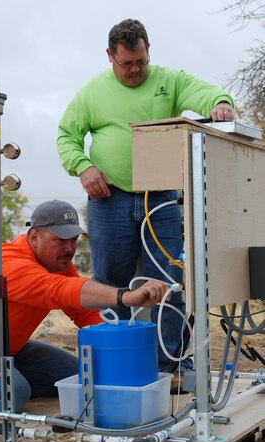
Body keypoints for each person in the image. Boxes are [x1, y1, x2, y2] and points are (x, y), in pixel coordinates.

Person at [57, 18, 235, 372]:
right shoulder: (92, 92)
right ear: (110, 56)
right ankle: (117, 363)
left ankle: (169, 366)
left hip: (162, 197)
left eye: (141, 61)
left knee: (169, 281)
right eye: (127, 63)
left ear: (148, 52)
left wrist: (220, 103)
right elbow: (66, 136)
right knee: (110, 283)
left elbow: (205, 93)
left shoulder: (169, 80)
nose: (135, 70)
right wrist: (83, 166)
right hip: (110, 199)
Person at [0, 199, 170, 415]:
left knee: (76, 376)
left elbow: (84, 314)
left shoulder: (56, 264)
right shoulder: (9, 262)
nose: (70, 249)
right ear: (35, 237)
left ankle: (9, 382)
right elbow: (57, 290)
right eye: (60, 240)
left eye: (74, 240)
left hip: (10, 350)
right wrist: (126, 296)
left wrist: (120, 358)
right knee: (8, 394)